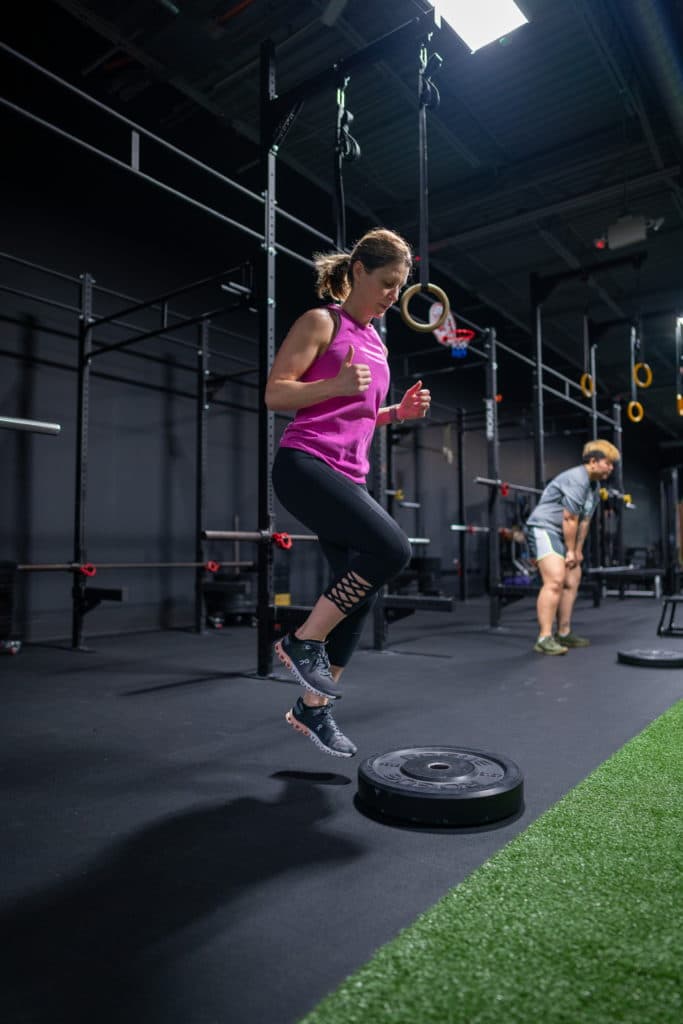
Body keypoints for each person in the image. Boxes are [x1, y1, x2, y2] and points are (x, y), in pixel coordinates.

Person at [264, 228, 430, 757]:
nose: (391, 296)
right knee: (392, 550)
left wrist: (394, 414)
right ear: (359, 271)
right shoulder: (322, 321)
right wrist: (333, 383)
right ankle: (300, 641)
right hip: (304, 464)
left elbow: (356, 412)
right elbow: (276, 392)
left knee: (357, 593)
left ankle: (313, 711)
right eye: (386, 283)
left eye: (398, 287)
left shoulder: (378, 341)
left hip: (347, 474)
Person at [524, 439, 620, 655]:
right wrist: (569, 549)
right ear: (593, 461)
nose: (611, 468)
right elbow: (569, 519)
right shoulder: (578, 479)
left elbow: (584, 522)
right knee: (556, 579)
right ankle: (544, 637)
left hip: (564, 534)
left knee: (572, 579)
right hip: (544, 528)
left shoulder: (594, 488)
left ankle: (564, 633)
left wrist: (576, 551)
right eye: (609, 463)